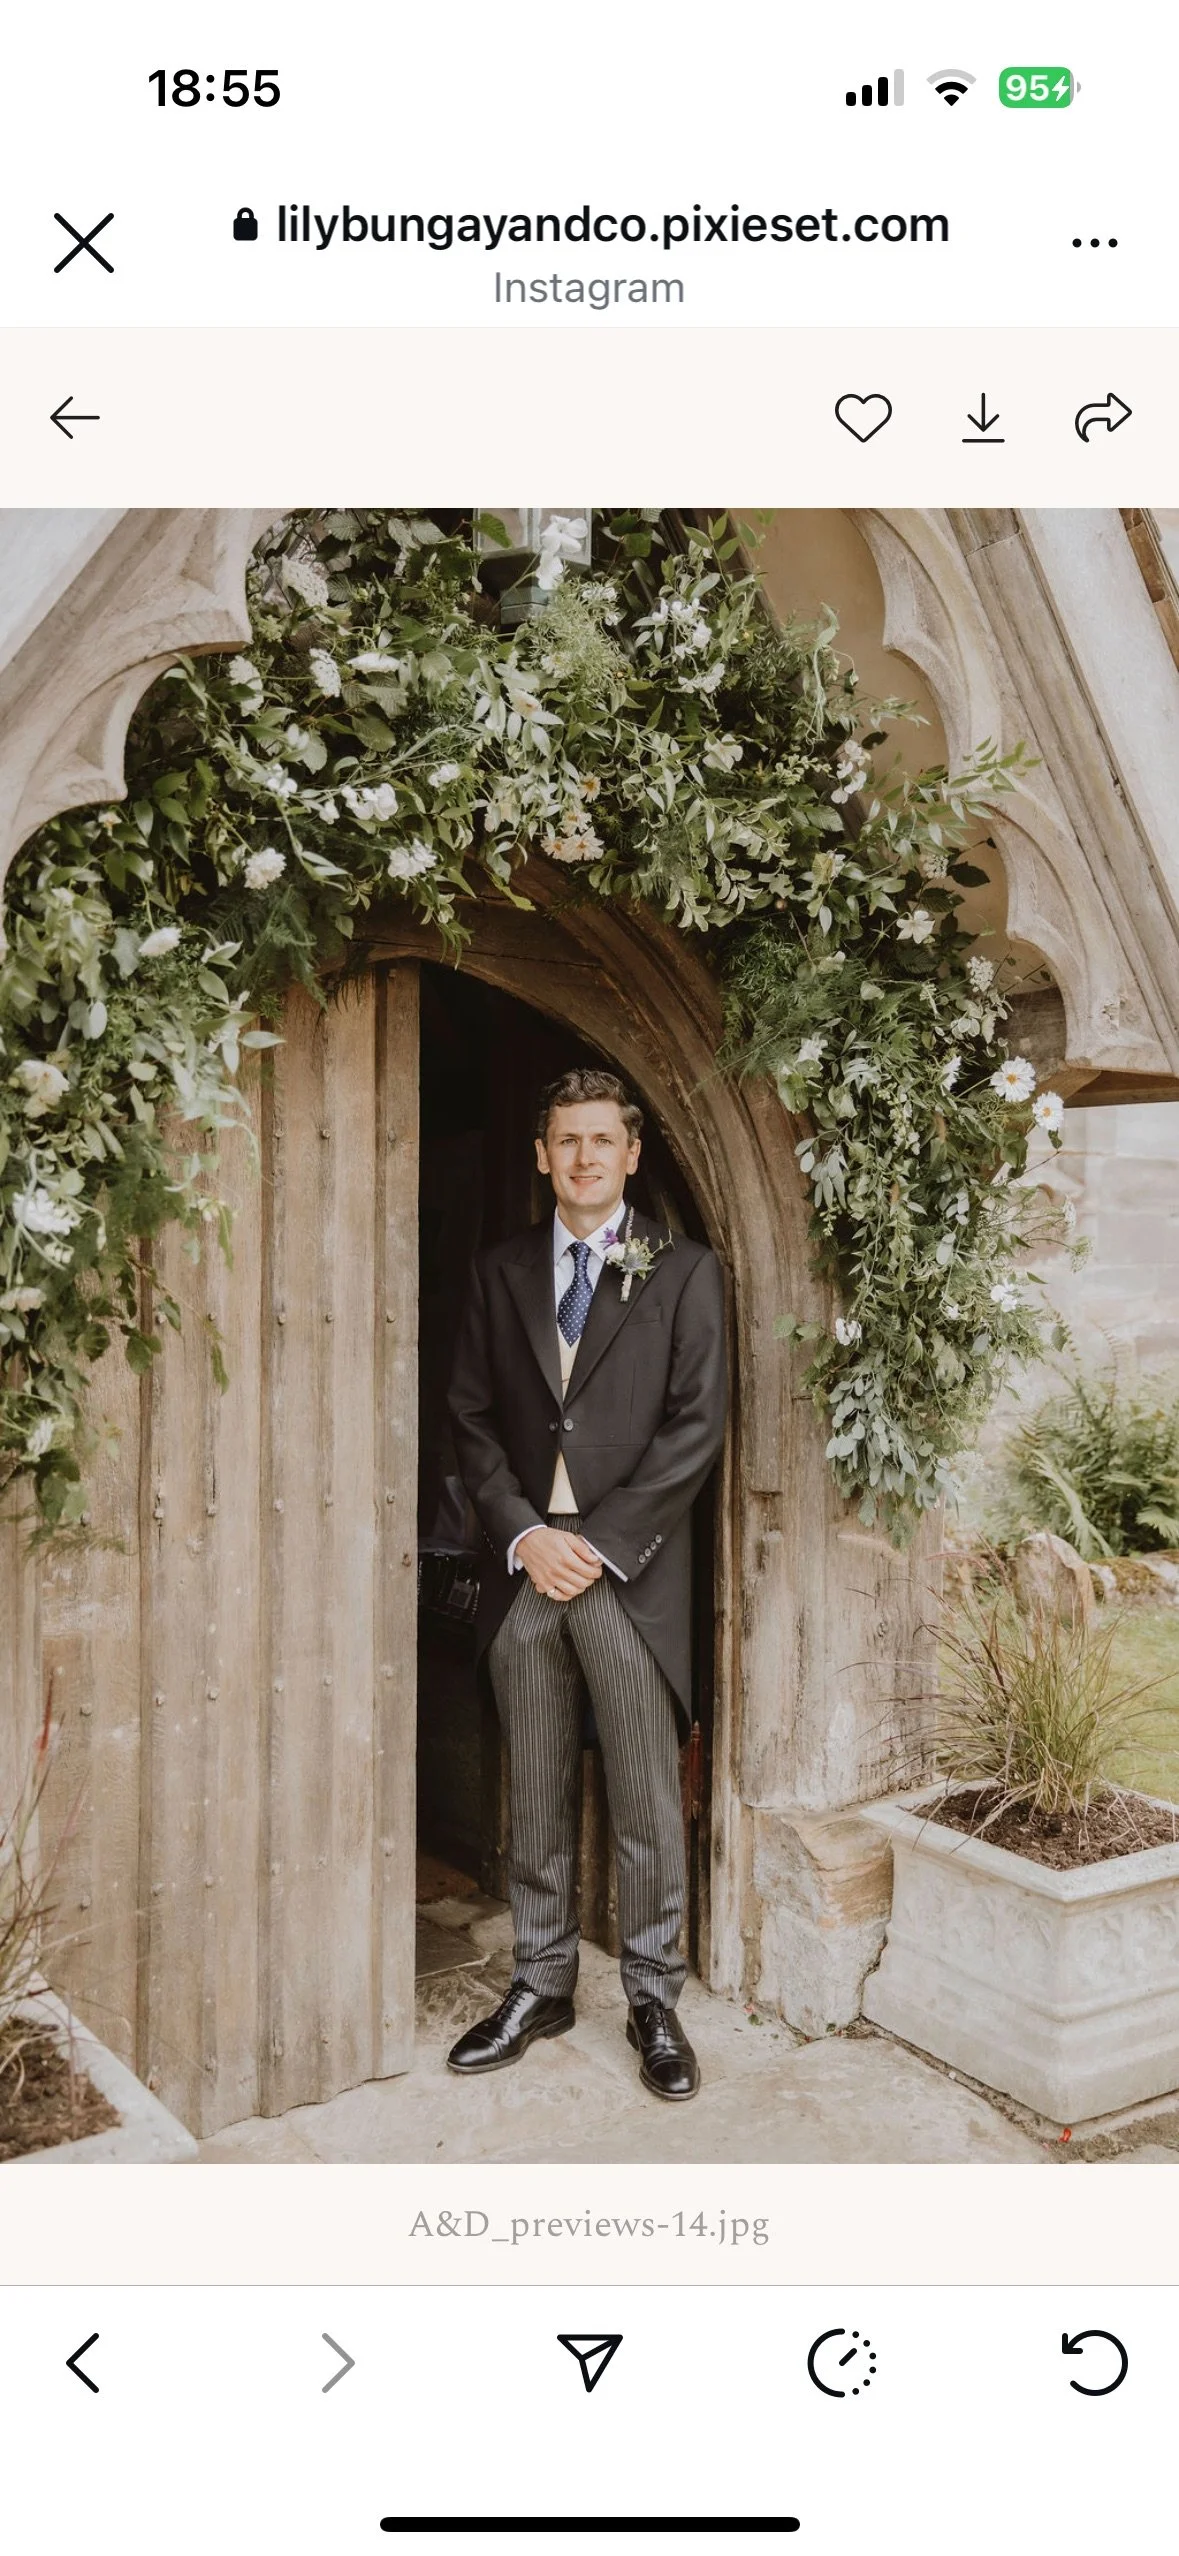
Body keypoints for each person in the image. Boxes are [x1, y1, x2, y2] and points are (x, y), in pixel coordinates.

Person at [445, 1067, 727, 2100]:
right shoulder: (501, 1271)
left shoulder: (684, 1271)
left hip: (623, 1571)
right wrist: (523, 1532)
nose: (585, 1157)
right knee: (536, 1790)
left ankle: (654, 1996)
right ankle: (542, 1980)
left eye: (603, 1140)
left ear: (632, 1153)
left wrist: (597, 1543)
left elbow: (695, 1427)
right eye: (566, 1140)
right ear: (541, 1154)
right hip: (528, 1568)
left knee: (648, 1794)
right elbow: (470, 1419)